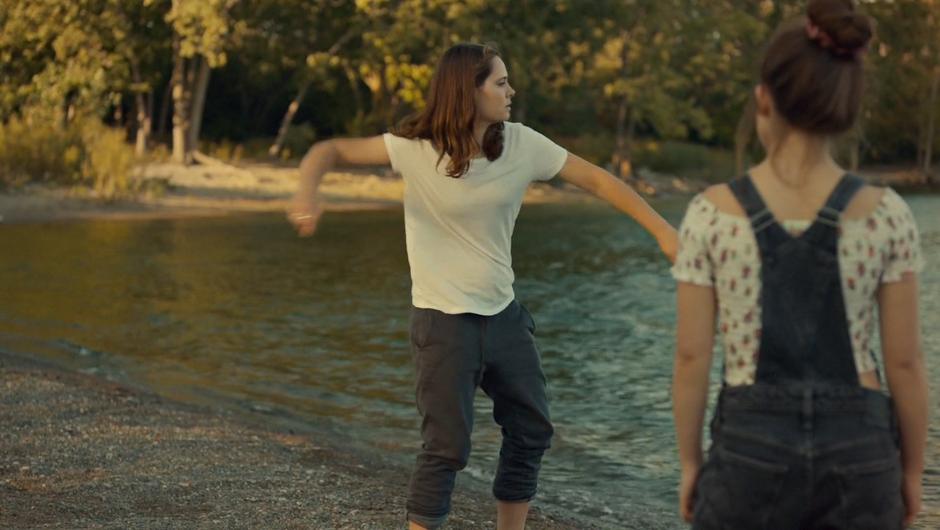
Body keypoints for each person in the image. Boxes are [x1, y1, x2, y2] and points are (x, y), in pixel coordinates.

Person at [288, 43, 678, 529]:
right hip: (443, 323)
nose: (510, 91)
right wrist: (307, 192)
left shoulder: (521, 144)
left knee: (531, 430)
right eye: (500, 83)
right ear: (467, 91)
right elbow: (328, 150)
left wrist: (663, 230)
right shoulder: (416, 149)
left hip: (504, 317)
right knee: (446, 448)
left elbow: (598, 181)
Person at [671, 1, 927, 528]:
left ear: (763, 99)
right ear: (846, 107)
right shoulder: (885, 214)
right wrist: (912, 470)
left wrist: (691, 463)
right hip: (860, 447)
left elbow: (691, 357)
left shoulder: (710, 214)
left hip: (747, 449)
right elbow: (905, 364)